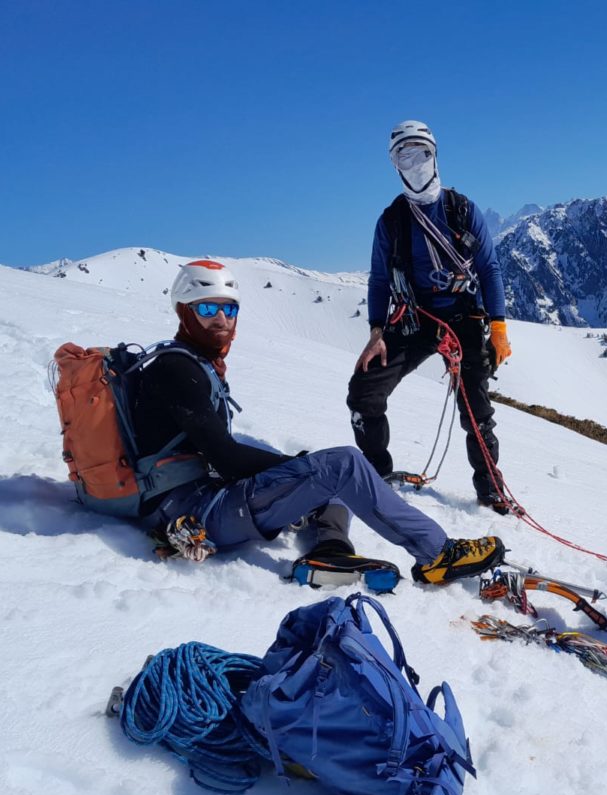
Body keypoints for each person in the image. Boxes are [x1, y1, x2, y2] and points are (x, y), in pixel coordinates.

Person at [132, 259, 505, 586]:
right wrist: (297, 466)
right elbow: (225, 458)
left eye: (229, 309)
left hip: (199, 498)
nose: (221, 320)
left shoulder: (191, 362)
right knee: (341, 465)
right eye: (207, 308)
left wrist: (299, 467)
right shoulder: (177, 369)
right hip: (194, 515)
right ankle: (438, 554)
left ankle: (330, 549)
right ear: (184, 312)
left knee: (327, 471)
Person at [347, 120, 513, 514]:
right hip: (414, 318)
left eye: (421, 152)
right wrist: (376, 332)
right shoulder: (392, 221)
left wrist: (498, 325)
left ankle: (490, 488)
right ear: (395, 165)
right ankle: (376, 475)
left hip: (463, 316)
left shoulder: (462, 210)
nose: (415, 163)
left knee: (476, 409)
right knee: (364, 392)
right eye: (404, 155)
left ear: (434, 155)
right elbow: (379, 280)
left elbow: (489, 269)